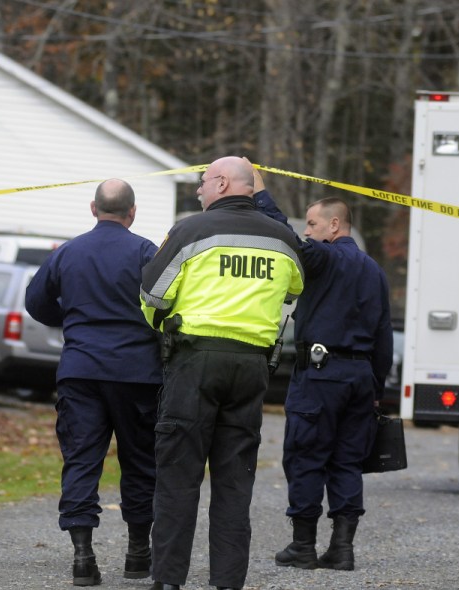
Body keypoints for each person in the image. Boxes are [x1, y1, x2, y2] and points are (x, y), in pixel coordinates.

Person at [140, 156, 304, 590]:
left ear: (222, 182)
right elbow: (295, 287)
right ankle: (228, 583)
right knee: (234, 484)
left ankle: (169, 582)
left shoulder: (191, 231)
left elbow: (152, 295)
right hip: (252, 367)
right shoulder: (284, 238)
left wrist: (164, 326)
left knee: (178, 477)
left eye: (201, 182)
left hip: (195, 361)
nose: (198, 191)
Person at [251, 166, 392, 571]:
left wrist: (261, 192)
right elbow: (383, 337)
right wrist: (375, 388)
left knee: (306, 456)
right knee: (347, 462)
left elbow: (285, 237)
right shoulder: (375, 271)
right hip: (361, 379)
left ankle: (303, 546)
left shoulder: (325, 258)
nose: (308, 231)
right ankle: (343, 549)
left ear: (335, 225)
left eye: (313, 224)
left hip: (321, 374)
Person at [25, 178, 162, 587]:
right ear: (132, 212)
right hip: (137, 373)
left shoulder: (67, 252)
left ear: (93, 208)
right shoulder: (145, 252)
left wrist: (70, 319)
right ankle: (138, 554)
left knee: (82, 460)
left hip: (81, 370)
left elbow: (35, 302)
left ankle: (83, 557)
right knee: (139, 463)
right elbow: (169, 304)